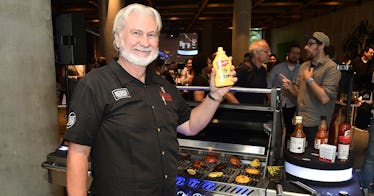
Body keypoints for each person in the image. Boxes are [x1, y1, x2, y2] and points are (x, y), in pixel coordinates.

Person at [64, 3, 237, 195]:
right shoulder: (95, 84)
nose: (145, 42)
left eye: (151, 35)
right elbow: (78, 153)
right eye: (136, 33)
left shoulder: (163, 85)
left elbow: (189, 126)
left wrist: (215, 95)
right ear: (118, 39)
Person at [280, 32, 341, 146]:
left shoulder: (332, 68)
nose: (306, 47)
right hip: (298, 121)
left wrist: (309, 80)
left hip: (316, 126)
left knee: (311, 160)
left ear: (322, 45)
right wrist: (290, 87)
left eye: (310, 44)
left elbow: (324, 98)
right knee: (295, 157)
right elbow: (299, 93)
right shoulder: (304, 66)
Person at [268, 44, 301, 139]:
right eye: (293, 53)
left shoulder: (302, 69)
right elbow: (269, 85)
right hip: (278, 104)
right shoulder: (277, 68)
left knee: (292, 130)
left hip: (294, 105)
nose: (295, 55)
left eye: (297, 53)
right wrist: (271, 101)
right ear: (288, 54)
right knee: (276, 129)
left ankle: (288, 150)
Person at [234, 39, 270, 104]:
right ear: (256, 53)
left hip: (259, 111)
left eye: (269, 51)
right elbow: (228, 94)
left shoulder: (262, 70)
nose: (269, 53)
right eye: (266, 51)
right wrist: (241, 108)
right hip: (244, 112)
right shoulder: (243, 70)